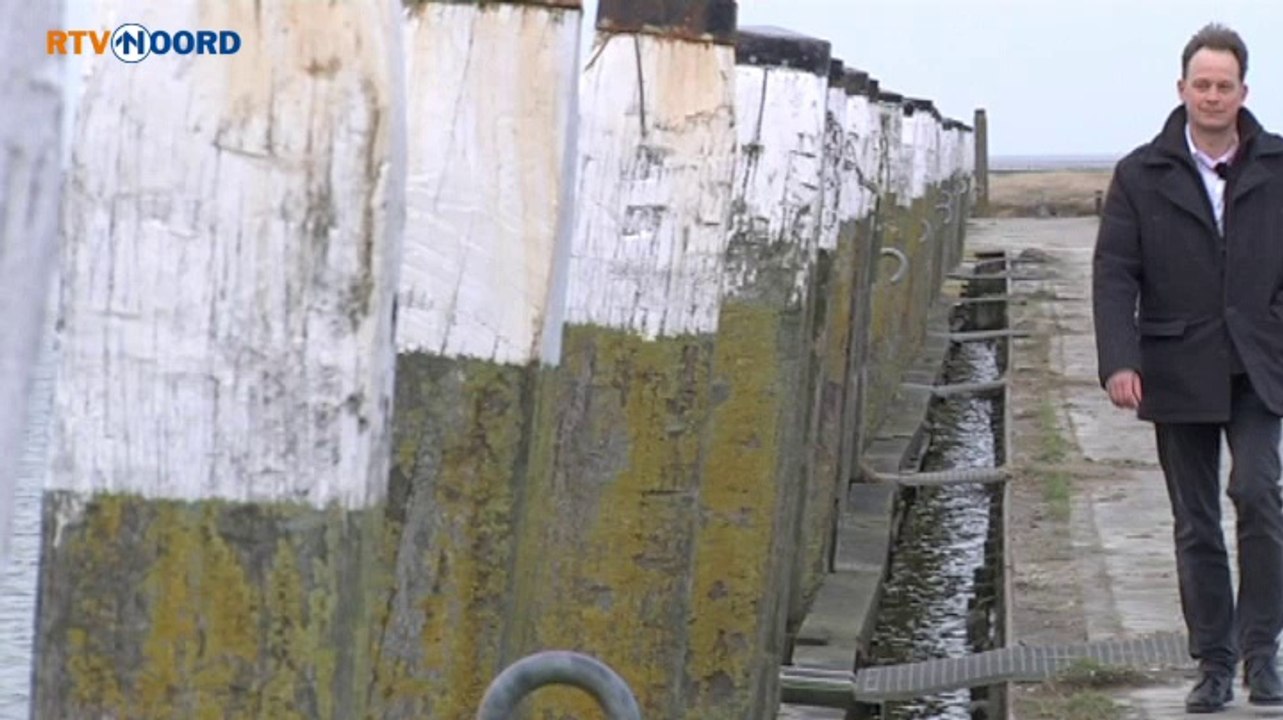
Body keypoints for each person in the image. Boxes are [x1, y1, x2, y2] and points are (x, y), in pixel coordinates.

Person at [1093, 22, 1283, 714]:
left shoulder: (1276, 165)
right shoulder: (1140, 173)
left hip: (1262, 367)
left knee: (1258, 495)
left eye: (1222, 86)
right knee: (1194, 521)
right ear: (1181, 89)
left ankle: (1262, 654)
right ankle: (1212, 661)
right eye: (1200, 85)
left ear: (1242, 91)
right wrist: (1119, 360)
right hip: (1175, 367)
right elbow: (1114, 273)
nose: (1211, 96)